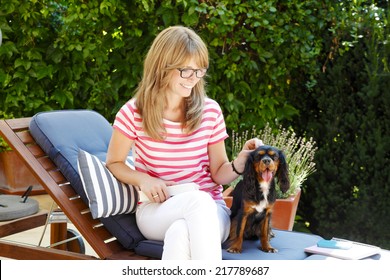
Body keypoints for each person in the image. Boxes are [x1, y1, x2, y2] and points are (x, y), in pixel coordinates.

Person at [106, 26, 262, 260]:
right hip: (156, 210)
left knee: (180, 231)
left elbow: (218, 174)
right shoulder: (133, 113)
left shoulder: (210, 111)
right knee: (196, 203)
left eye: (200, 71)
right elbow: (115, 162)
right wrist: (143, 179)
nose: (194, 79)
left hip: (212, 211)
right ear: (162, 67)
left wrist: (239, 163)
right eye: (186, 71)